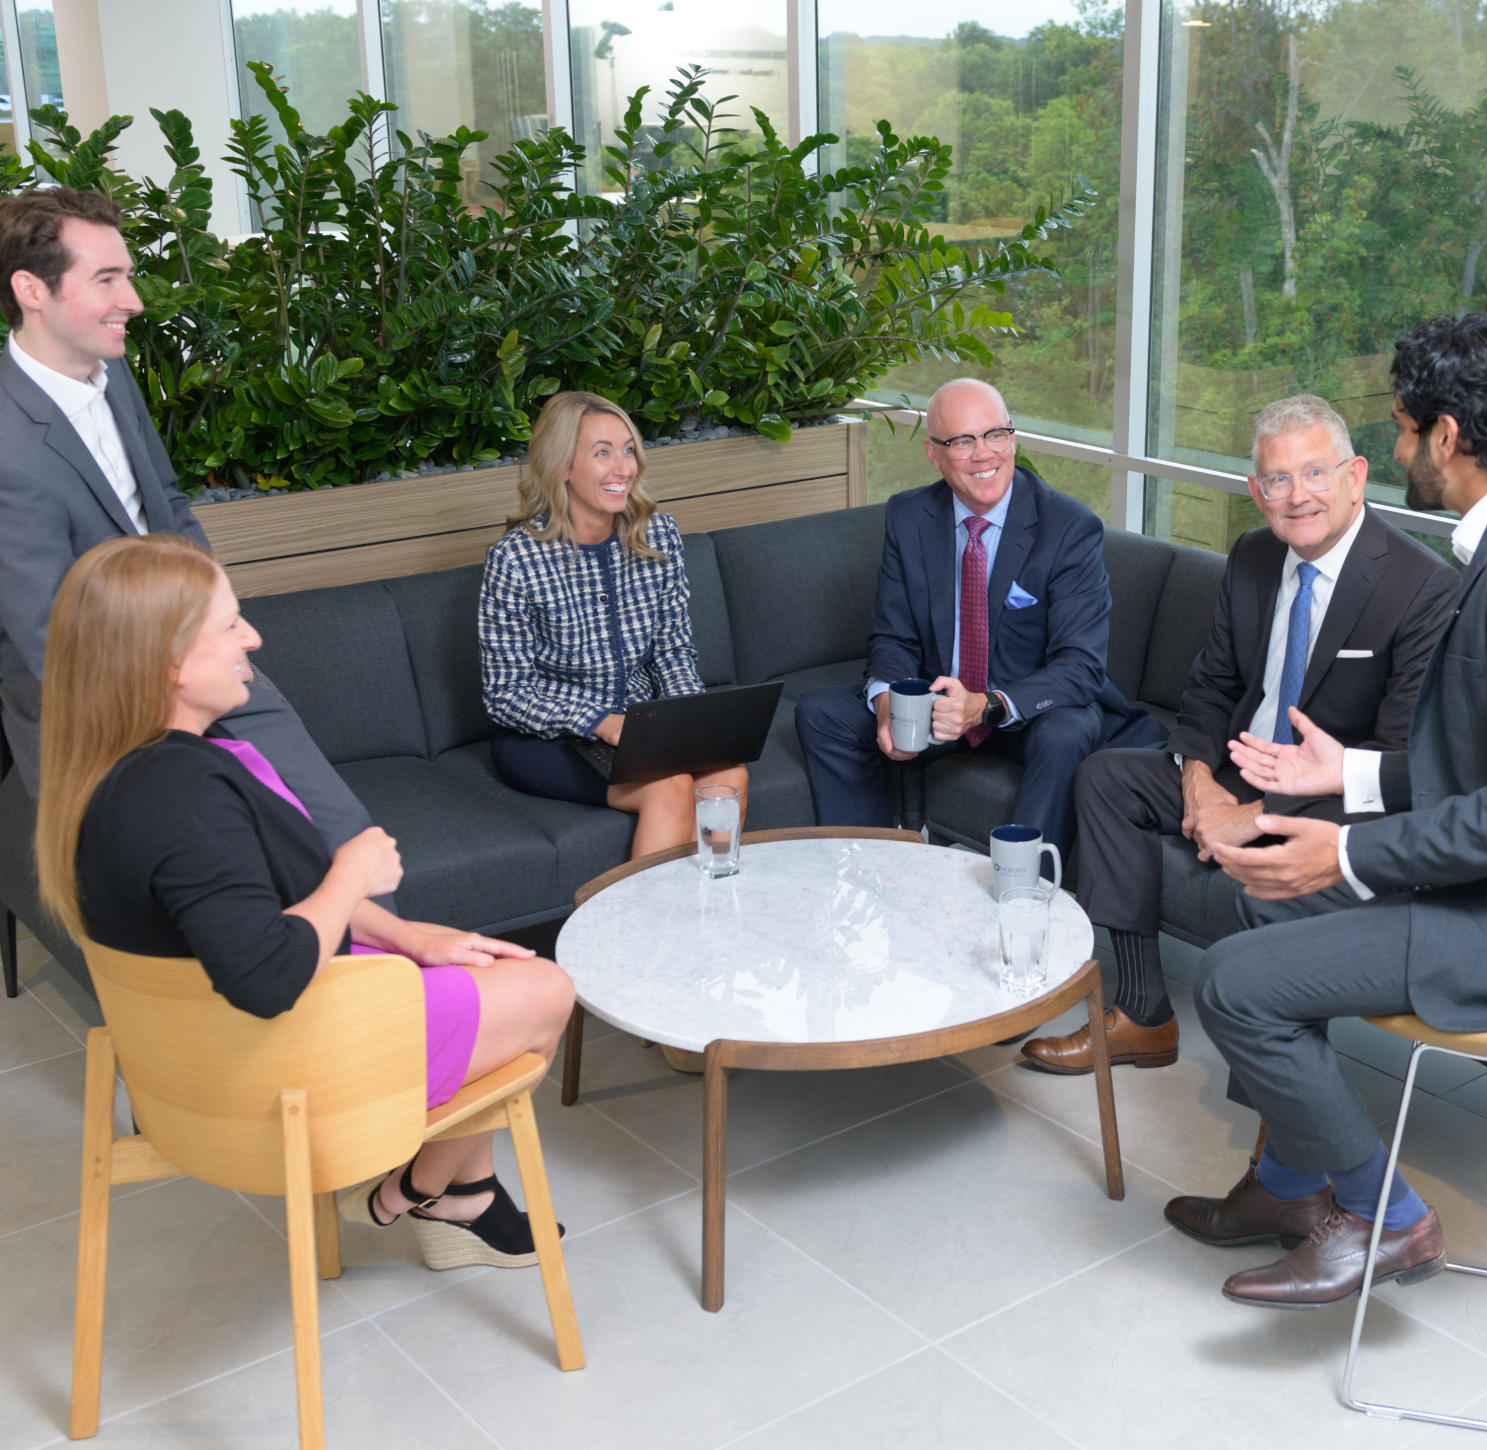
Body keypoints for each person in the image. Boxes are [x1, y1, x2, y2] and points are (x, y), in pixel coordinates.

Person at [1166, 314, 1487, 1308]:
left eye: (1403, 431)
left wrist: (1351, 856)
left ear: (1446, 435)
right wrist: (1351, 775)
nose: (1400, 451)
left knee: (1232, 984)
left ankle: (1390, 1219)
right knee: (1260, 904)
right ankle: (1287, 1186)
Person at [35, 533, 577, 1270]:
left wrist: (410, 936)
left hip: (199, 1063)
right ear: (170, 661)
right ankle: (415, 1190)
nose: (252, 639)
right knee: (545, 992)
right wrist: (351, 873)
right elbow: (266, 976)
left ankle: (460, 1193)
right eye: (230, 624)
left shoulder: (129, 770)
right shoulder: (181, 799)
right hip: (283, 1067)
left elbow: (274, 901)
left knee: (482, 967)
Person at [1021, 395, 1456, 1076]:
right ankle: (1141, 1015)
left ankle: (1279, 1100)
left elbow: (1396, 756)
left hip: (1338, 793)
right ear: (1257, 493)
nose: (1297, 495)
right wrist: (1199, 786)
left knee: (1309, 843)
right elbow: (1212, 686)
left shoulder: (1421, 586)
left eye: (1315, 473)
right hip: (1234, 767)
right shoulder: (1253, 556)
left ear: (1355, 476)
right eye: (1278, 479)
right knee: (1106, 777)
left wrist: (1256, 815)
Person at [0, 186, 376, 863]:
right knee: (210, 885)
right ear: (31, 289)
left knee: (346, 840)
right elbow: (50, 640)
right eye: (106, 279)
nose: (133, 301)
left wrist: (218, 632)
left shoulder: (112, 373)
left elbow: (169, 507)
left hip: (205, 663)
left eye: (128, 275)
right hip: (99, 713)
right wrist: (182, 701)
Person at [796, 378, 1164, 857]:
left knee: (1067, 731)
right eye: (962, 441)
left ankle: (1023, 889)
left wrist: (986, 705)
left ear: (1013, 437)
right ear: (934, 453)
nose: (983, 454)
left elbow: (1081, 667)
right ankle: (871, 868)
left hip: (1030, 711)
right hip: (945, 705)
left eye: (995, 435)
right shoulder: (909, 516)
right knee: (822, 713)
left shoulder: (1068, 528)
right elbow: (893, 637)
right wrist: (888, 702)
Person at [479, 391, 748, 859]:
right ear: (563, 465)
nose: (623, 467)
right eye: (602, 453)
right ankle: (648, 912)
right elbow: (507, 694)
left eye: (628, 450)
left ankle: (710, 900)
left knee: (729, 777)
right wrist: (598, 721)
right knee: (669, 787)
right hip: (550, 737)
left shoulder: (658, 534)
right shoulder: (515, 560)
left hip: (644, 727)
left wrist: (691, 721)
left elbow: (672, 650)